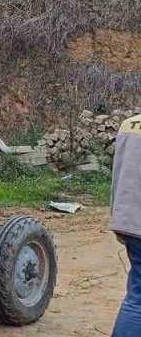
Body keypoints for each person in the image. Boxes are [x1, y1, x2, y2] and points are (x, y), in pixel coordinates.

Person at [112, 114, 141, 336]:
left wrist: (117, 217)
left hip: (129, 220)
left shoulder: (129, 125)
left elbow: (118, 173)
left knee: (137, 296)